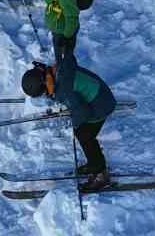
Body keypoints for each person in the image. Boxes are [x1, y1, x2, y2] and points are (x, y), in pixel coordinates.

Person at [21, 56, 118, 191]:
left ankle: (100, 172)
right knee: (83, 132)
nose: (45, 95)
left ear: (44, 83)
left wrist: (74, 121)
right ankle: (93, 163)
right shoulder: (57, 70)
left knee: (84, 135)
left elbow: (83, 113)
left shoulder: (64, 90)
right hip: (100, 91)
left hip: (101, 105)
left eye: (43, 92)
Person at [10, 0, 98, 63]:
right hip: (57, 24)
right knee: (59, 56)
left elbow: (72, 16)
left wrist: (67, 37)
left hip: (64, 29)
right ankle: (61, 66)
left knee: (66, 58)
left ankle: (66, 72)